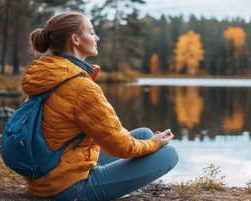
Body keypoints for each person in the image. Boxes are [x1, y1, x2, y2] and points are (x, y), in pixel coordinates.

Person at [23, 11, 179, 201]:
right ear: (75, 40)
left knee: (144, 134)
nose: (97, 37)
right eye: (91, 32)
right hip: (68, 189)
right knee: (169, 154)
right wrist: (155, 144)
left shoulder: (47, 75)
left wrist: (150, 142)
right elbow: (119, 147)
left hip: (43, 175)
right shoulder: (81, 86)